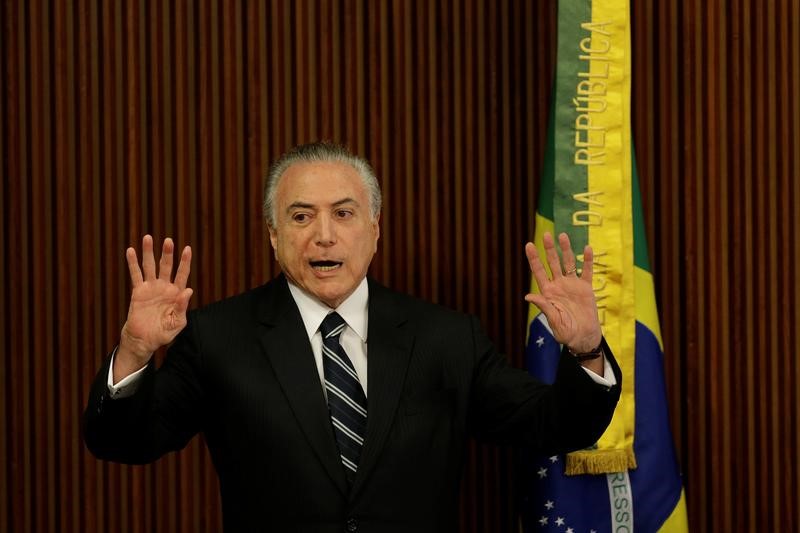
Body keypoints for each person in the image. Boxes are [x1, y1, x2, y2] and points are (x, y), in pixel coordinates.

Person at [84, 142, 621, 533]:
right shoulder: (218, 336)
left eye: (344, 213)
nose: (324, 234)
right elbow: (123, 443)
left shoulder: (446, 337)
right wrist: (135, 349)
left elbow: (556, 426)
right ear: (273, 235)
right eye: (301, 216)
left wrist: (585, 351)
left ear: (375, 229)